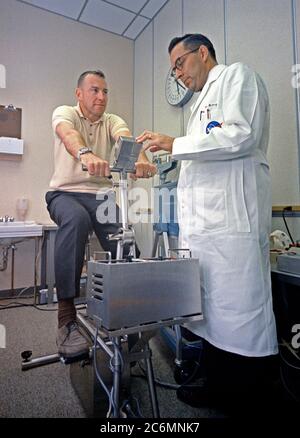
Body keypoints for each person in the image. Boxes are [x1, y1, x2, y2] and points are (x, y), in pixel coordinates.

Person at [136, 34, 279, 410]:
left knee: (241, 312)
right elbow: (203, 155)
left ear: (202, 52)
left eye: (180, 63)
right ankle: (217, 383)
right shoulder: (199, 105)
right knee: (212, 311)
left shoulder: (237, 77)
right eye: (173, 69)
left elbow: (240, 135)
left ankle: (249, 393)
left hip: (233, 224)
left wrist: (174, 143)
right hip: (208, 230)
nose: (178, 74)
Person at [46, 70, 156, 359]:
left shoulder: (112, 120)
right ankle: (66, 318)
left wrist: (141, 160)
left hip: (100, 196)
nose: (101, 97)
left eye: (105, 91)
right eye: (94, 90)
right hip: (64, 194)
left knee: (123, 233)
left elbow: (126, 139)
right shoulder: (65, 112)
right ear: (79, 93)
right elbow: (67, 134)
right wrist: (85, 154)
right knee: (76, 220)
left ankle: (132, 313)